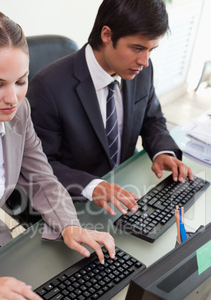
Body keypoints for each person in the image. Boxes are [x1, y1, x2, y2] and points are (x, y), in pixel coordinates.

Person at [0, 9, 115, 300]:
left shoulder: (19, 112)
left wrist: (70, 225)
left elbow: (40, 177)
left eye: (21, 81)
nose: (12, 97)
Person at [27, 0, 193, 218]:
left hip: (126, 188)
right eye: (137, 48)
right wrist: (92, 186)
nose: (144, 61)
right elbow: (40, 165)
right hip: (76, 203)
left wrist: (162, 151)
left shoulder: (141, 69)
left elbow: (151, 119)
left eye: (151, 50)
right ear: (106, 35)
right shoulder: (48, 87)